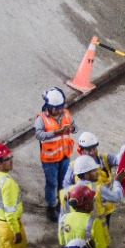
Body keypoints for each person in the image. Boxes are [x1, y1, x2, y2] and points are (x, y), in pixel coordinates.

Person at [34, 89, 75, 222]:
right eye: (57, 108)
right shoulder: (41, 119)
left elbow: (74, 126)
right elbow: (39, 135)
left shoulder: (66, 114)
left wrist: (73, 128)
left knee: (64, 181)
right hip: (50, 160)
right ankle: (51, 206)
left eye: (61, 108)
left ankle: (60, 204)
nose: (60, 110)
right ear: (50, 107)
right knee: (52, 184)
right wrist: (56, 132)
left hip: (64, 156)